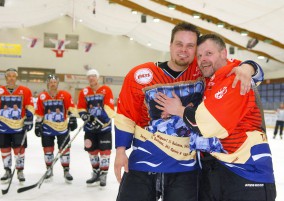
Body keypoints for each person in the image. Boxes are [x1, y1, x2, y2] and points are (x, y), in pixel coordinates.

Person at [114, 22, 264, 201]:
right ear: (170, 45)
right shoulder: (141, 74)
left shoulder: (204, 70)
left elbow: (244, 71)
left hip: (186, 166)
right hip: (144, 162)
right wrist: (120, 151)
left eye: (190, 46)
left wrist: (249, 67)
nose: (183, 50)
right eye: (179, 44)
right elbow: (126, 114)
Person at [154, 33, 276, 201]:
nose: (203, 59)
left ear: (223, 53)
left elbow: (207, 125)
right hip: (217, 172)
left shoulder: (235, 78)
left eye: (209, 53)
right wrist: (251, 65)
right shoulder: (210, 80)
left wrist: (179, 110)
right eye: (200, 55)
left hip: (246, 173)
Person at [0, 68, 34, 183]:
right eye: (9, 76)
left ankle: (20, 171)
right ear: (6, 78)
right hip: (3, 125)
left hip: (19, 125)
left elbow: (29, 106)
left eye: (13, 76)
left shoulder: (25, 91)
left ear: (16, 78)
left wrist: (29, 118)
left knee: (19, 149)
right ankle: (7, 170)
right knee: (4, 148)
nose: (11, 78)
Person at [34, 74, 78, 183]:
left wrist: (73, 119)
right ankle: (49, 170)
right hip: (47, 127)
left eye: (55, 82)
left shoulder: (65, 95)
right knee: (48, 150)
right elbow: (39, 112)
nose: (53, 84)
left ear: (57, 83)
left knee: (65, 150)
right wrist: (37, 124)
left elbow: (71, 108)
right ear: (47, 84)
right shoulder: (42, 96)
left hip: (62, 127)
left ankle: (66, 170)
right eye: (51, 82)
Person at [77, 69, 115, 187]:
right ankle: (96, 172)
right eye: (89, 77)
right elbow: (81, 108)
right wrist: (85, 115)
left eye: (93, 76)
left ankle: (103, 174)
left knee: (105, 152)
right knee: (92, 151)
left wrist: (101, 120)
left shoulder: (106, 90)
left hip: (104, 128)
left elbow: (109, 107)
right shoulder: (84, 92)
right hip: (89, 128)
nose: (91, 78)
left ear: (98, 78)